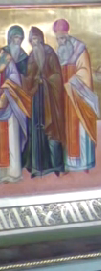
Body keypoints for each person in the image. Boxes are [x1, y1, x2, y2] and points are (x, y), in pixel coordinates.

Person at [54, 18, 100, 173]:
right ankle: (67, 164)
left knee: (80, 130)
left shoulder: (80, 50)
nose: (60, 42)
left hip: (79, 98)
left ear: (67, 35)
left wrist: (71, 83)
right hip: (65, 98)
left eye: (62, 38)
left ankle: (84, 164)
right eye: (58, 39)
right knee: (66, 130)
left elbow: (85, 74)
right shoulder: (59, 52)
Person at [20, 26, 66, 177]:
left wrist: (45, 80)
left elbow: (58, 77)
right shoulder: (32, 56)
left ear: (41, 39)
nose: (35, 43)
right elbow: (29, 77)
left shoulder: (50, 54)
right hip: (36, 100)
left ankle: (57, 166)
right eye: (32, 40)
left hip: (50, 101)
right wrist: (30, 80)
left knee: (52, 131)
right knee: (37, 131)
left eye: (36, 39)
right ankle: (38, 166)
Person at [0, 26, 29, 183]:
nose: (17, 41)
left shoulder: (7, 58)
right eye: (15, 38)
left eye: (19, 38)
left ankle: (14, 172)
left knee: (12, 137)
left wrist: (6, 90)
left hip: (10, 103)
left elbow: (15, 78)